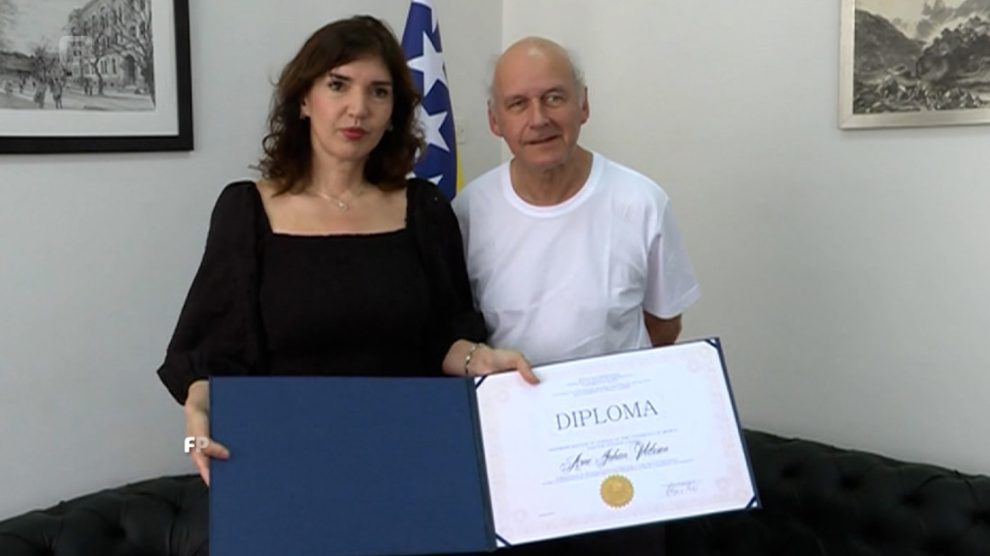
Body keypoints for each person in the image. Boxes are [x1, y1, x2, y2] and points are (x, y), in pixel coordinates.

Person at [156, 16, 535, 486]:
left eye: (379, 92)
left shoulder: (425, 210)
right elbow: (209, 358)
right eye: (338, 85)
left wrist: (484, 359)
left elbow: (444, 340)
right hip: (284, 462)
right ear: (304, 100)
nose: (359, 108)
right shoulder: (245, 212)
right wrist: (195, 418)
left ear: (394, 112)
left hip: (410, 458)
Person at [452, 37, 701, 555]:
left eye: (554, 98)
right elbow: (459, 334)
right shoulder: (467, 212)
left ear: (583, 104)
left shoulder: (641, 202)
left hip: (624, 464)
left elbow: (664, 327)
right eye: (518, 104)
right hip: (515, 463)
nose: (538, 118)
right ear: (495, 120)